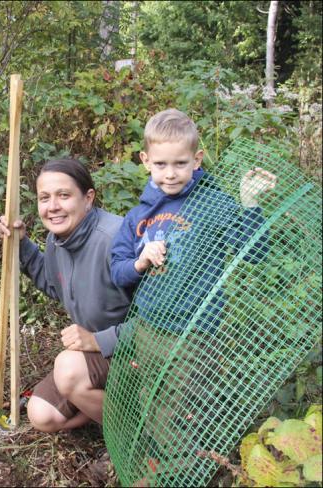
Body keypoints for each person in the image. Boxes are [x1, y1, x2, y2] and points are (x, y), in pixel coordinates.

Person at [109, 108, 277, 462]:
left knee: (181, 402)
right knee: (149, 394)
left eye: (181, 163)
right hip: (148, 327)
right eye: (161, 164)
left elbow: (255, 253)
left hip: (194, 331)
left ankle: (180, 466)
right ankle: (157, 456)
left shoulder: (212, 203)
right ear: (146, 161)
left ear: (197, 159)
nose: (170, 174)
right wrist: (140, 261)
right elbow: (118, 272)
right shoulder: (139, 215)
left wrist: (249, 203)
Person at [0, 158, 133, 432]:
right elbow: (53, 283)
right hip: (97, 354)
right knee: (42, 415)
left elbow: (159, 322)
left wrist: (97, 340)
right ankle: (107, 411)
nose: (53, 206)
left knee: (68, 370)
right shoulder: (58, 240)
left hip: (136, 353)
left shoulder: (116, 239)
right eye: (44, 198)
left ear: (88, 198)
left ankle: (134, 435)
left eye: (64, 195)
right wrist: (21, 245)